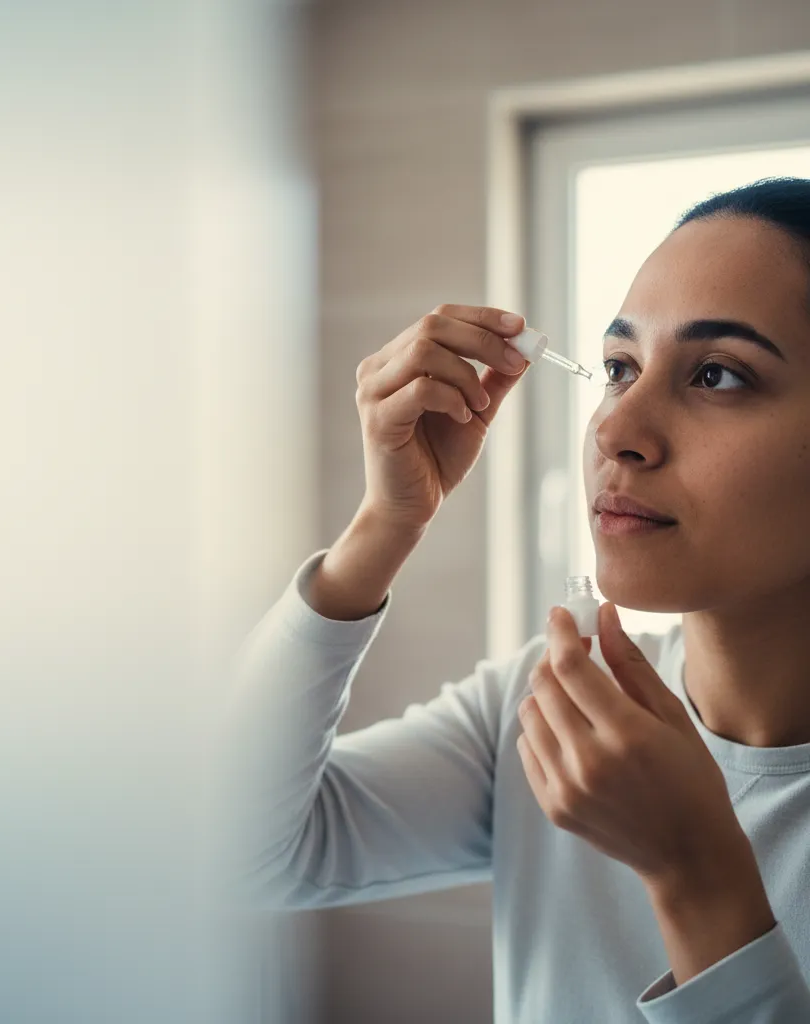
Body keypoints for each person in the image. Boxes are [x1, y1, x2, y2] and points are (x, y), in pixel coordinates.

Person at [228, 177, 810, 1023]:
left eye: (717, 374)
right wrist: (385, 524)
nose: (615, 432)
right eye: (619, 368)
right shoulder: (558, 704)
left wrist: (695, 875)